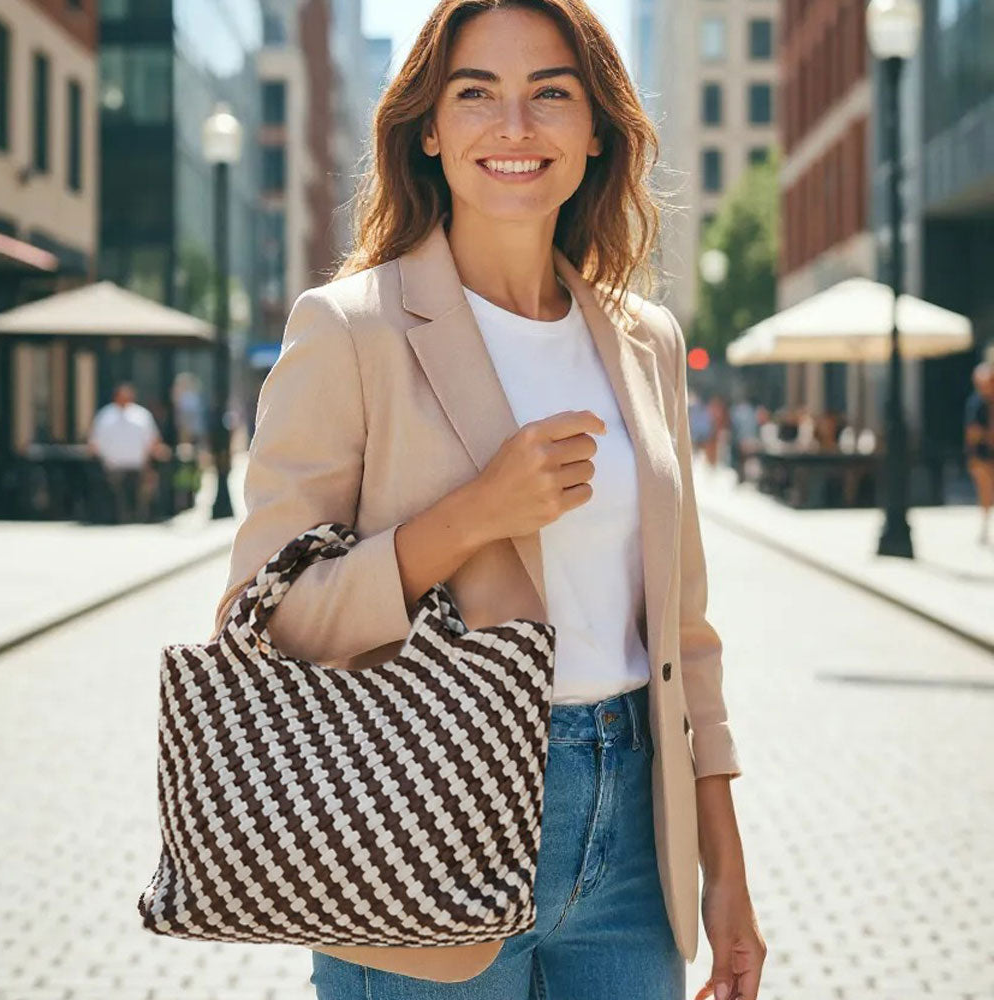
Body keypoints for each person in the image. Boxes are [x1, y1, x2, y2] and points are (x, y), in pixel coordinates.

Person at [211, 2, 764, 998]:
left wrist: (724, 870)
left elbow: (688, 633)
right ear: (430, 127)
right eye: (477, 95)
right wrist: (470, 516)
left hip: (633, 841)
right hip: (416, 830)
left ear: (596, 129)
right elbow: (261, 617)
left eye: (551, 93)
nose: (515, 128)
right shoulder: (349, 329)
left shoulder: (644, 342)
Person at [87, 382, 162, 523]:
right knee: (115, 496)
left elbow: (152, 439)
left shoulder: (141, 415)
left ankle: (135, 517)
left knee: (134, 494)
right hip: (112, 465)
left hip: (136, 464)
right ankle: (115, 518)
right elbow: (94, 440)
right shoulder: (105, 415)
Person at [964, 361, 994, 544]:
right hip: (982, 455)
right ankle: (984, 527)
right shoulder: (976, 404)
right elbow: (972, 433)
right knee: (985, 490)